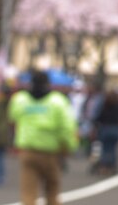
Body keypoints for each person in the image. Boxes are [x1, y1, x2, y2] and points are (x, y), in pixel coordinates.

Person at [8, 69, 78, 205]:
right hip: (51, 152)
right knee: (52, 191)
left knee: (28, 193)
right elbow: (67, 128)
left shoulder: (20, 99)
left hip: (27, 150)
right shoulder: (58, 102)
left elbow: (12, 119)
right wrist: (69, 147)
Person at [93, 89, 118, 176]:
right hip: (115, 128)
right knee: (113, 149)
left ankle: (104, 167)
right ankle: (112, 166)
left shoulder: (104, 105)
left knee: (105, 149)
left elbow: (98, 118)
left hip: (106, 128)